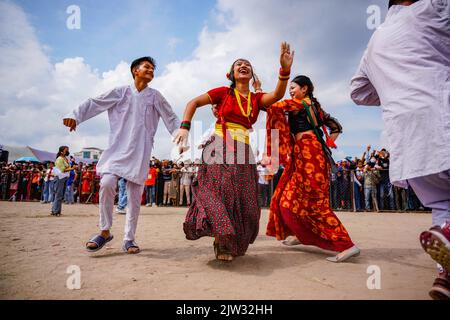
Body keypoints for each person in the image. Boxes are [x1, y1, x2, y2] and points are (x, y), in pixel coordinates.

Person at [350, 0, 450, 298]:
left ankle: (445, 277)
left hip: (407, 141)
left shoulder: (375, 41)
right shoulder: (434, 8)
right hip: (441, 116)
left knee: (443, 203)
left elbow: (357, 91)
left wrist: (396, 88)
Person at [175, 42, 295, 261]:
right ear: (230, 73)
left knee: (245, 200)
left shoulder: (257, 99)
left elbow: (277, 95)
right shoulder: (223, 92)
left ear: (251, 75)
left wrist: (284, 71)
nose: (243, 65)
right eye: (238, 64)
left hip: (244, 151)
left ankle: (230, 239)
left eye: (247, 64)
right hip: (219, 145)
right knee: (221, 192)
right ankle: (222, 243)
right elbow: (193, 102)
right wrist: (184, 128)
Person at [63, 56, 180, 254]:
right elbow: (95, 102)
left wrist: (180, 138)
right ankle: (105, 231)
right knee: (107, 183)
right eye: (147, 67)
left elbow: (171, 117)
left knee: (135, 197)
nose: (151, 70)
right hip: (117, 150)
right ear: (135, 70)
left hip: (140, 152)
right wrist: (76, 116)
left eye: (153, 68)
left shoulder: (155, 96)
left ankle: (129, 238)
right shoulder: (121, 92)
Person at [265, 75, 360, 262]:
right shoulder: (316, 107)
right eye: (290, 88)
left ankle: (346, 245)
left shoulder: (298, 105)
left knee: (315, 204)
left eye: (293, 87)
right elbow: (336, 127)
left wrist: (262, 95)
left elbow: (273, 107)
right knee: (288, 199)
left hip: (308, 154)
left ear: (305, 89)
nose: (291, 91)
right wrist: (325, 143)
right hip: (310, 154)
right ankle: (301, 235)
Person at [51, 146, 75, 216]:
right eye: (66, 150)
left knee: (60, 195)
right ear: (61, 151)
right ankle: (55, 211)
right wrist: (72, 168)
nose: (67, 151)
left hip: (64, 178)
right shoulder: (59, 159)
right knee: (59, 195)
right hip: (59, 178)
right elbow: (62, 170)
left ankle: (56, 210)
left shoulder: (64, 159)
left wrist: (71, 168)